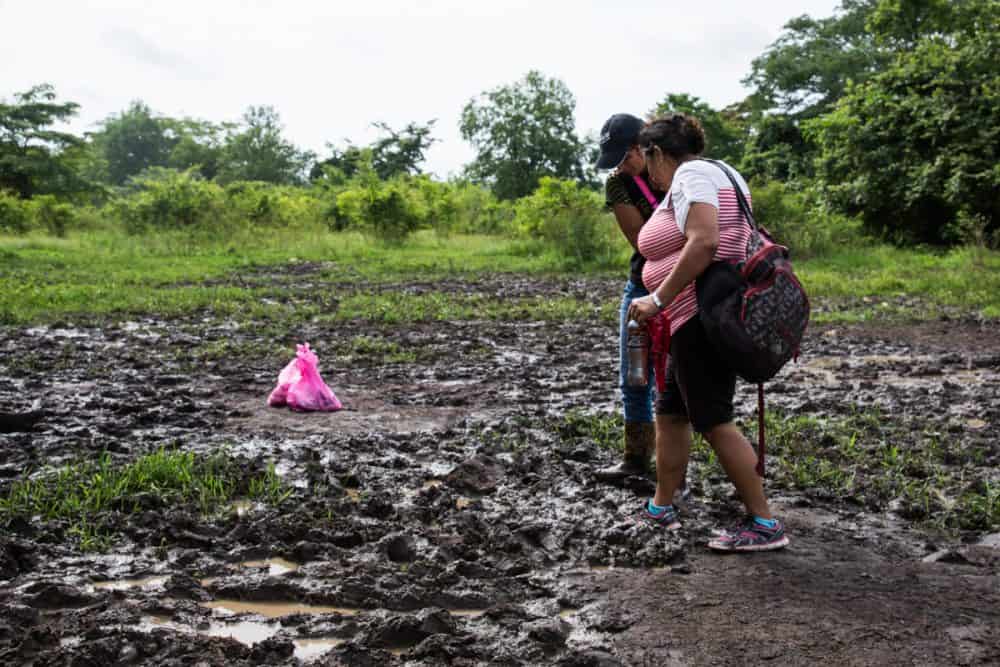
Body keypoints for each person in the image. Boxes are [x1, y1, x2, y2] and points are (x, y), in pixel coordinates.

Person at [627, 113, 789, 552]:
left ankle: (765, 523)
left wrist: (657, 298)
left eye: (648, 161)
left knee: (714, 420)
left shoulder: (691, 176)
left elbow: (705, 242)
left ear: (657, 153)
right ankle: (661, 508)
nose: (650, 174)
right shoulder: (722, 171)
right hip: (692, 319)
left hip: (700, 317)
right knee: (672, 411)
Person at [594, 113, 689, 496]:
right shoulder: (618, 184)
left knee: (673, 382)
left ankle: (674, 472)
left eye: (624, 155)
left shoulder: (680, 172)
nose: (619, 164)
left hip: (685, 286)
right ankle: (635, 460)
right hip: (641, 285)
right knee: (635, 377)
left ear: (642, 147)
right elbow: (643, 242)